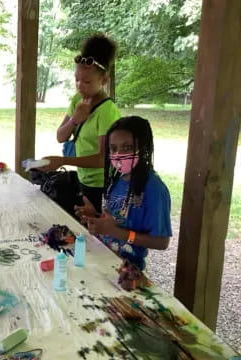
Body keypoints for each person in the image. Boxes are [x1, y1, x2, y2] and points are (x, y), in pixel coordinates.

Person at [75, 116, 172, 270]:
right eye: (113, 148)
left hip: (128, 269)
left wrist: (117, 232)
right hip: (104, 258)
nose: (118, 154)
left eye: (127, 147)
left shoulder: (154, 189)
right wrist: (95, 216)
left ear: (144, 147)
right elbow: (115, 220)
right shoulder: (117, 180)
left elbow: (161, 242)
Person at [40, 33, 121, 212]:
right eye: (76, 79)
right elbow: (60, 136)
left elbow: (103, 159)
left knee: (95, 231)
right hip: (82, 179)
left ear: (104, 80)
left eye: (87, 81)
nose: (80, 85)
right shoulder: (78, 99)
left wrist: (63, 160)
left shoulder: (107, 111)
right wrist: (75, 120)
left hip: (101, 185)